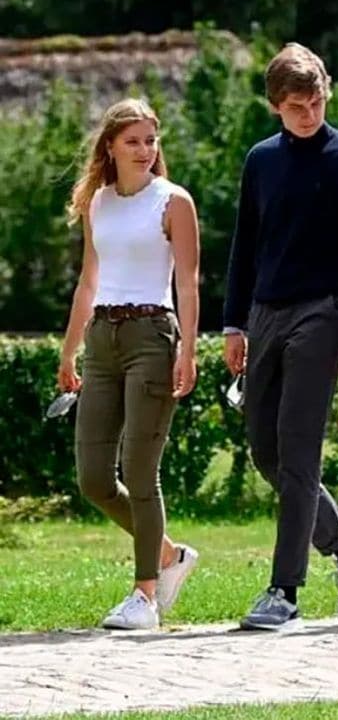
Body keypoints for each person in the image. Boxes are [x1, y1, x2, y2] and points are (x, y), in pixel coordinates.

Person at [223, 43, 338, 633]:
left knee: (298, 450)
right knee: (266, 453)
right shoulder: (260, 162)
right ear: (275, 106)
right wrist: (234, 323)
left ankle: (284, 591)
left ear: (327, 92)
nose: (308, 113)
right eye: (296, 105)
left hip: (326, 312)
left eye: (316, 100)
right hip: (266, 310)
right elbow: (245, 247)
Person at [58, 98, 200, 630]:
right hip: (102, 339)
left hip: (152, 336)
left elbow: (187, 281)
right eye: (134, 141)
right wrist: (70, 348)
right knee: (94, 478)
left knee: (141, 471)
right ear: (111, 147)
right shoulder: (97, 202)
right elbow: (88, 280)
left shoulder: (173, 202)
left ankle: (145, 595)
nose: (145, 150)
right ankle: (167, 553)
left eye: (151, 140)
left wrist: (187, 348)